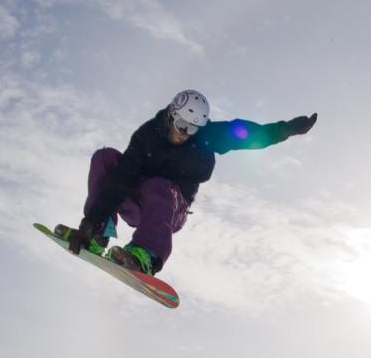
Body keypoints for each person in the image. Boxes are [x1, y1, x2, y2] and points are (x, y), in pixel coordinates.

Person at [57, 90, 317, 275]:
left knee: (158, 185)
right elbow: (121, 177)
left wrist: (287, 129)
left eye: (193, 129)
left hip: (170, 209)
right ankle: (97, 235)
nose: (185, 134)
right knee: (106, 158)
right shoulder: (147, 135)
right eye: (182, 125)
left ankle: (146, 254)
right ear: (171, 115)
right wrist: (90, 222)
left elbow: (251, 134)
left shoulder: (209, 136)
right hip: (138, 201)